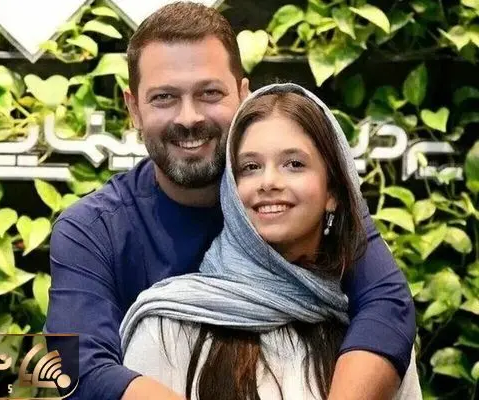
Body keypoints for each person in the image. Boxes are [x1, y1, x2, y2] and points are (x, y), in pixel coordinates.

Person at [45, 2, 415, 400]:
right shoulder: (93, 229)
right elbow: (74, 366)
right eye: (164, 97)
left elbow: (387, 305)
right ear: (133, 108)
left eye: (209, 93)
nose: (188, 117)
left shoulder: (291, 205)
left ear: (243, 94)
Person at [120, 83, 422, 400]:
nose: (269, 182)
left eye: (294, 164)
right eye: (250, 167)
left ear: (332, 192)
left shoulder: (375, 336)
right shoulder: (168, 327)